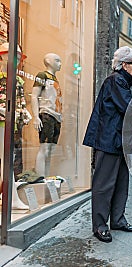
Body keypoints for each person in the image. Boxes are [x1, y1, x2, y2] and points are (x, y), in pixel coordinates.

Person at [83, 46, 132, 243]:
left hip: (117, 140)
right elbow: (128, 107)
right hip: (109, 140)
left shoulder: (120, 82)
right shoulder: (116, 80)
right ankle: (100, 225)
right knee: (104, 185)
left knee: (120, 183)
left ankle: (117, 220)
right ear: (124, 65)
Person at [0, 42, 30, 209]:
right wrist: (4, 110)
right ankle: (10, 197)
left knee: (10, 159)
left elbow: (20, 101)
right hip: (3, 121)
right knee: (7, 160)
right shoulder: (1, 77)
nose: (18, 59)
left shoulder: (17, 79)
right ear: (4, 55)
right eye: (14, 55)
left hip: (14, 124)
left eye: (19, 56)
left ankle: (8, 196)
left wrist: (24, 114)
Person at [31, 53, 62, 177]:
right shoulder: (42, 75)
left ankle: (46, 177)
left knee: (50, 150)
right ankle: (41, 177)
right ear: (48, 61)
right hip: (46, 114)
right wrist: (36, 116)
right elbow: (34, 95)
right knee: (44, 148)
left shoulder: (55, 79)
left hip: (56, 116)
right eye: (57, 60)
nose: (60, 64)